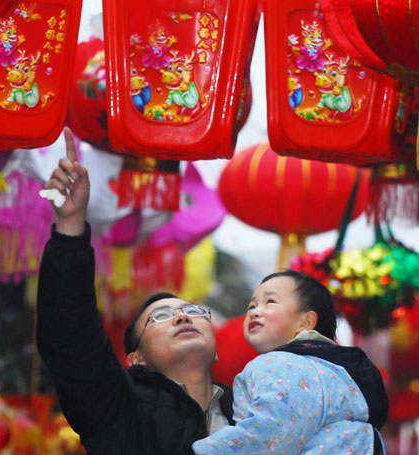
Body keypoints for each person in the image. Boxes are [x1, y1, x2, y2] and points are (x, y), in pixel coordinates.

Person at [36, 128, 234, 455]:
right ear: (135, 358)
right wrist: (69, 229)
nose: (183, 315)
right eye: (161, 316)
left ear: (214, 349)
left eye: (194, 311)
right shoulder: (120, 411)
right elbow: (69, 337)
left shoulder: (252, 414)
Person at [192, 270, 389, 455]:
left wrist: (201, 450)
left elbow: (268, 431)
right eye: (251, 306)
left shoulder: (279, 363)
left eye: (270, 302)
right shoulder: (338, 374)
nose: (254, 312)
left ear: (305, 323)